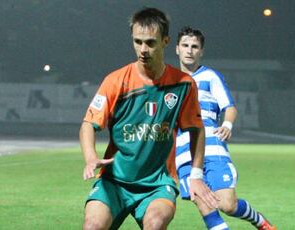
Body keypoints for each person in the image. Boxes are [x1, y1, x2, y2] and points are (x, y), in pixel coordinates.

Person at [79, 8, 218, 230]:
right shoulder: (115, 81)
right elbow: (88, 124)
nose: (143, 49)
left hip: (158, 184)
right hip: (114, 181)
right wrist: (90, 157)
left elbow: (196, 129)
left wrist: (196, 174)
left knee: (155, 224)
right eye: (138, 41)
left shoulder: (183, 84)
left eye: (150, 43)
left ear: (165, 41)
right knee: (92, 226)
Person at [174, 26, 276, 230]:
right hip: (185, 153)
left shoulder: (211, 76)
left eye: (195, 46)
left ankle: (260, 221)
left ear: (201, 51)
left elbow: (229, 107)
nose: (189, 50)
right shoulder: (170, 81)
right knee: (205, 204)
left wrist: (227, 124)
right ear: (177, 48)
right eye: (185, 45)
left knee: (227, 205)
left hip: (212, 149)